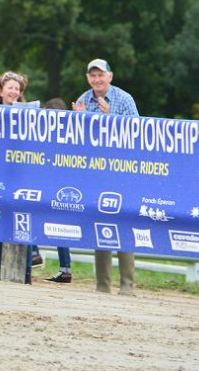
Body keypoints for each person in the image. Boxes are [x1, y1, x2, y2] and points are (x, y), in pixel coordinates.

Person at [73, 58, 139, 295]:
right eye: (92, 75)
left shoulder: (124, 100)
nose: (97, 79)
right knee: (100, 226)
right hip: (97, 173)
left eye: (101, 74)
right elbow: (79, 141)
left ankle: (127, 285)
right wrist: (78, 121)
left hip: (123, 172)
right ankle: (102, 285)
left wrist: (111, 117)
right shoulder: (83, 100)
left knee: (124, 224)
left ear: (110, 76)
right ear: (88, 78)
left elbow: (137, 136)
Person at [0, 71, 35, 284]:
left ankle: (26, 273)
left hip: (22, 174)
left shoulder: (29, 115)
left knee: (23, 223)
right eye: (10, 88)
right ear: (0, 90)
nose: (14, 92)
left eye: (17, 89)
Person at [42, 96, 75, 284]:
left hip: (58, 184)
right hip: (59, 183)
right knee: (59, 224)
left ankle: (64, 268)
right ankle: (65, 269)